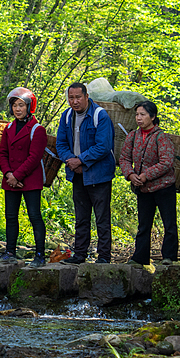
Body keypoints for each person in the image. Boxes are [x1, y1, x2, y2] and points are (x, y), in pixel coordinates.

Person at [56, 82, 116, 264]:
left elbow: (103, 146)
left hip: (99, 175)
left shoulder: (100, 116)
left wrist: (81, 160)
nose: (74, 101)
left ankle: (104, 257)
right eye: (71, 98)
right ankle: (80, 254)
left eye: (78, 97)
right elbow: (61, 144)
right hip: (78, 175)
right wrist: (71, 161)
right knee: (81, 217)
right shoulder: (66, 117)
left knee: (102, 218)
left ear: (86, 96)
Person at [119, 100, 178, 267]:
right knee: (143, 225)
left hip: (163, 187)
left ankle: (169, 257)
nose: (139, 118)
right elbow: (124, 158)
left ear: (152, 117)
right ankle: (140, 257)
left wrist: (146, 175)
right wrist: (130, 174)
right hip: (143, 189)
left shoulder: (161, 136)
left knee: (169, 224)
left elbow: (166, 162)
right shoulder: (133, 136)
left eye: (143, 114)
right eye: (137, 114)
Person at [0, 87, 47, 266]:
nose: (18, 109)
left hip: (30, 179)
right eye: (15, 106)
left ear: (28, 107)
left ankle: (40, 254)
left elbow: (34, 157)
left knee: (34, 215)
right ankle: (10, 251)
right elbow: (2, 153)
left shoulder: (37, 129)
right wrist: (8, 174)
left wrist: (17, 176)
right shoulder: (8, 128)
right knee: (10, 216)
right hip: (11, 179)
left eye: (21, 105)